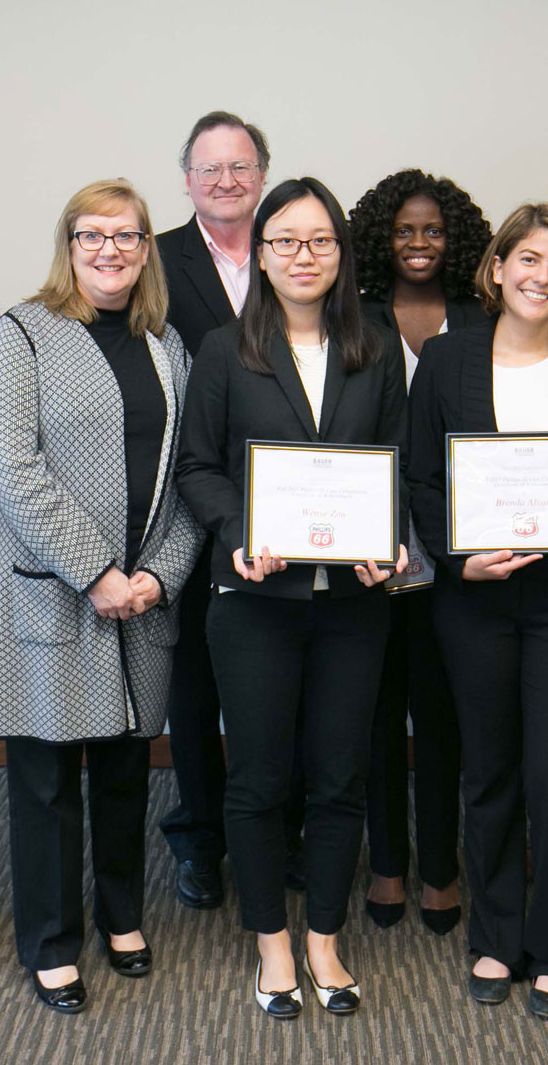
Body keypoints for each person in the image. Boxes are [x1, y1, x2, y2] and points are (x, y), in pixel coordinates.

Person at [177, 177, 406, 1019]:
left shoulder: (374, 345)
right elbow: (197, 468)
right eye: (285, 241)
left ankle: (325, 939)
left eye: (319, 241)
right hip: (254, 601)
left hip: (352, 603)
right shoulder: (221, 348)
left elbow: (398, 463)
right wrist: (238, 532)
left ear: (341, 254)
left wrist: (392, 538)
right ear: (261, 254)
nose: (302, 256)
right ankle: (273, 943)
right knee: (261, 779)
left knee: (340, 776)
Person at [407, 203, 548, 1021]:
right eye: (529, 260)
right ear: (498, 267)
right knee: (490, 771)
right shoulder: (445, 358)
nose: (543, 277)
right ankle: (496, 938)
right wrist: (455, 556)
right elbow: (419, 480)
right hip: (472, 594)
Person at [0, 179, 203, 1014]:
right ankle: (50, 941)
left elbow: (185, 477)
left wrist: (159, 574)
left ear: (147, 249)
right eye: (91, 235)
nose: (109, 250)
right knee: (44, 781)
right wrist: (96, 571)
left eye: (127, 236)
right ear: (68, 246)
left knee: (121, 769)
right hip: (53, 594)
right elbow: (13, 471)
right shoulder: (25, 335)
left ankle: (120, 916)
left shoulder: (166, 344)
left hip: (140, 602)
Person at [347, 169, 492, 933]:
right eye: (404, 229)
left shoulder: (478, 318)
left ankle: (440, 868)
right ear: (380, 236)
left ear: (456, 238)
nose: (419, 242)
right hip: (369, 552)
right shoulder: (356, 317)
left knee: (440, 717)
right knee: (375, 716)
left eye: (433, 230)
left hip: (451, 549)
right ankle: (388, 864)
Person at [154, 110, 273, 909]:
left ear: (262, 173)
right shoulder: (155, 260)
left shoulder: (299, 248)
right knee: (194, 685)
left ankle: (281, 831)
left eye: (240, 166)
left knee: (283, 678)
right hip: (192, 500)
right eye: (210, 168)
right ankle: (199, 837)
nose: (225, 181)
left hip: (296, 504)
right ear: (187, 178)